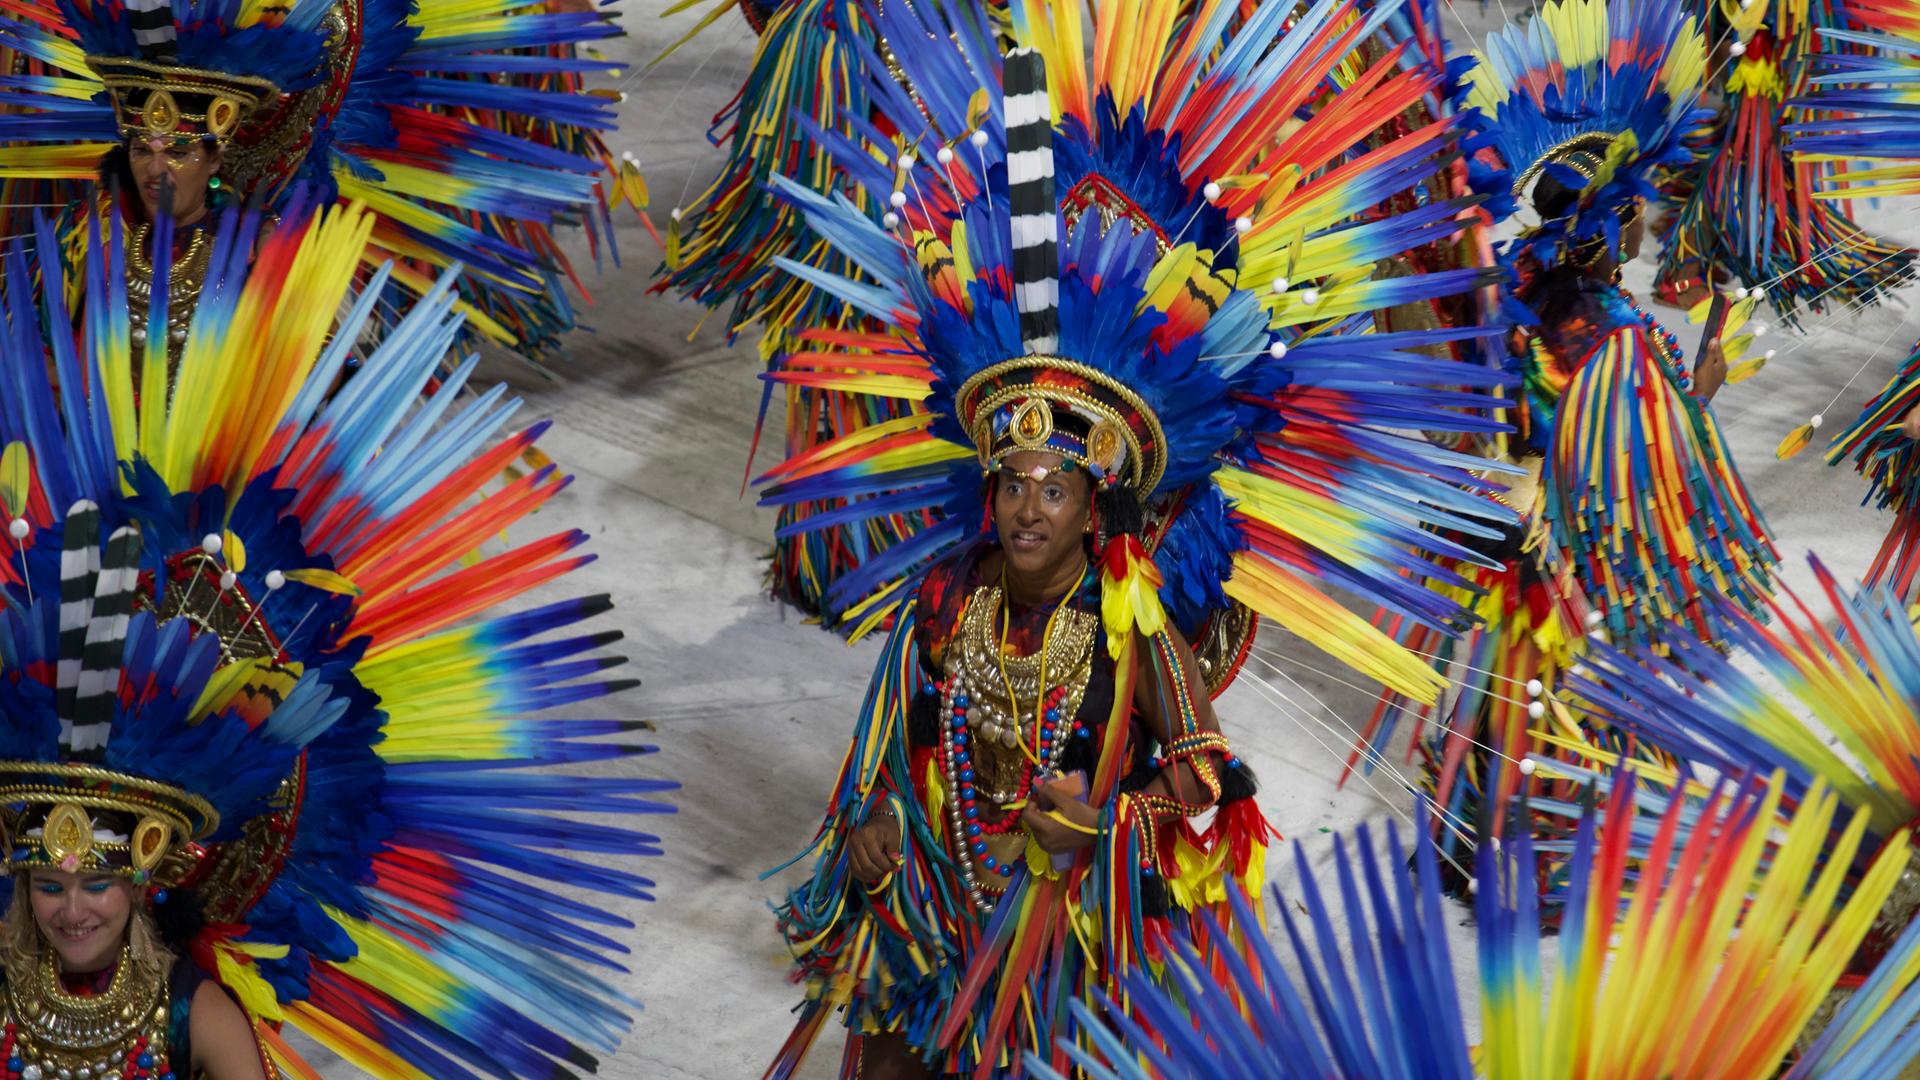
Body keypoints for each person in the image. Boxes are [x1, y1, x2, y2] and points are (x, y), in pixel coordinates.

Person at [758, 0, 1520, 1072]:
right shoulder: (949, 598)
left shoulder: (1132, 620)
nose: (1028, 507)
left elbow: (1208, 779)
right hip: (940, 896)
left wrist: (1109, 828)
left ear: (1095, 506)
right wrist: (876, 816)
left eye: (1055, 491)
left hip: (1071, 921)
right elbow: (887, 744)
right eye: (1013, 483)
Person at [0, 201, 666, 1077]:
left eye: (93, 882)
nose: (72, 908)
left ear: (145, 875)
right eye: (51, 884)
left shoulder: (195, 1018)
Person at [1351, 0, 1777, 899]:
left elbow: (1653, 429)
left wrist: (1698, 380)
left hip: (1570, 571)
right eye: (1633, 210)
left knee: (1545, 712)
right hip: (1570, 574)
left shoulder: (1597, 320)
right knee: (1554, 715)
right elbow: (1601, 452)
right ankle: (1546, 850)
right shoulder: (1583, 333)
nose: (1641, 229)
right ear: (1598, 223)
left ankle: (1530, 833)